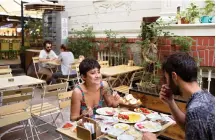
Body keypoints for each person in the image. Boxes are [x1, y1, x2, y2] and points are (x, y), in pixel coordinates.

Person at [142, 52, 215, 140]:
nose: (166, 84)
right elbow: (190, 126)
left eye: (166, 78)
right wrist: (170, 102)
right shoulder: (207, 97)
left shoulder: (196, 111)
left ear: (174, 76)